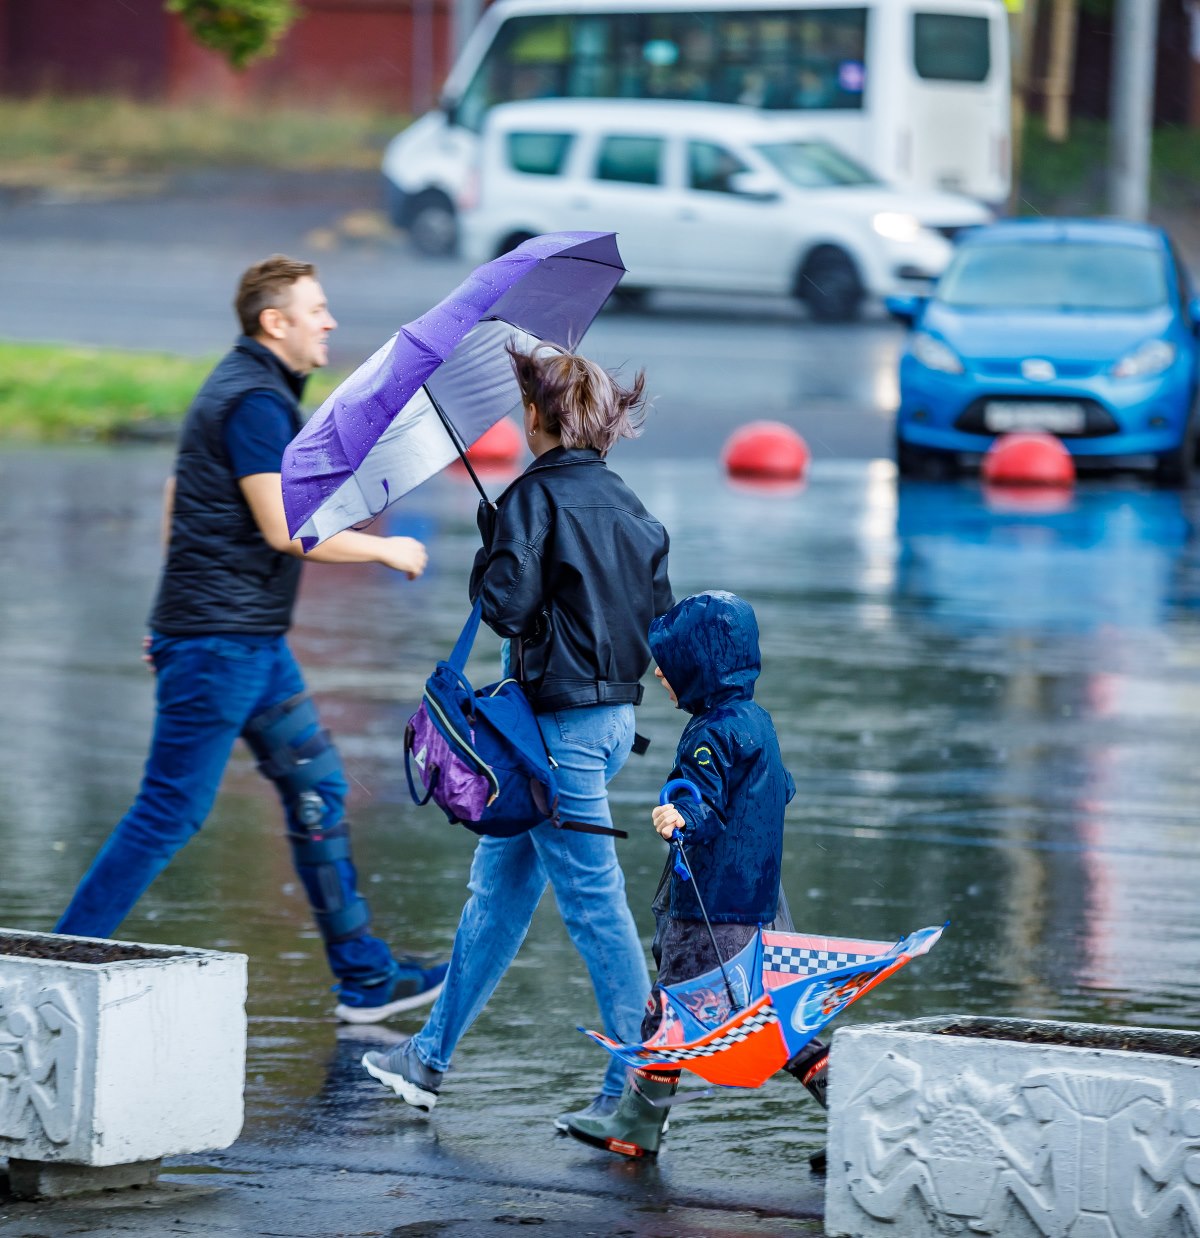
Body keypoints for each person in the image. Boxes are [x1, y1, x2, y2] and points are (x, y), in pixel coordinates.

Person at [55, 255, 447, 1023]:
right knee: (168, 812)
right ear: (276, 323)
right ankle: (55, 967)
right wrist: (383, 548)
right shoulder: (254, 401)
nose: (329, 321)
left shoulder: (251, 390)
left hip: (246, 643)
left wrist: (165, 614)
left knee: (320, 789)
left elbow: (182, 491)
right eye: (317, 309)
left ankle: (366, 977)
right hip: (220, 645)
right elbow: (285, 531)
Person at [362, 340, 674, 1122]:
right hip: (602, 726)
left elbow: (503, 608)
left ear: (537, 417)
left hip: (555, 736)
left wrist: (495, 536)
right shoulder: (633, 507)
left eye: (525, 406)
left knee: (596, 907)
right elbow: (657, 623)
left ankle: (637, 1088)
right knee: (495, 895)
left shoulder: (532, 500)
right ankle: (426, 1058)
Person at [565, 590, 827, 1158]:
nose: (659, 670)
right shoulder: (759, 722)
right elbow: (782, 789)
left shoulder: (710, 733)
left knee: (672, 1005)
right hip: (762, 899)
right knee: (778, 1016)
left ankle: (637, 1124)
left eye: (672, 659)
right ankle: (859, 1117)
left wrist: (679, 813)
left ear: (702, 663)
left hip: (709, 902)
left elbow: (703, 802)